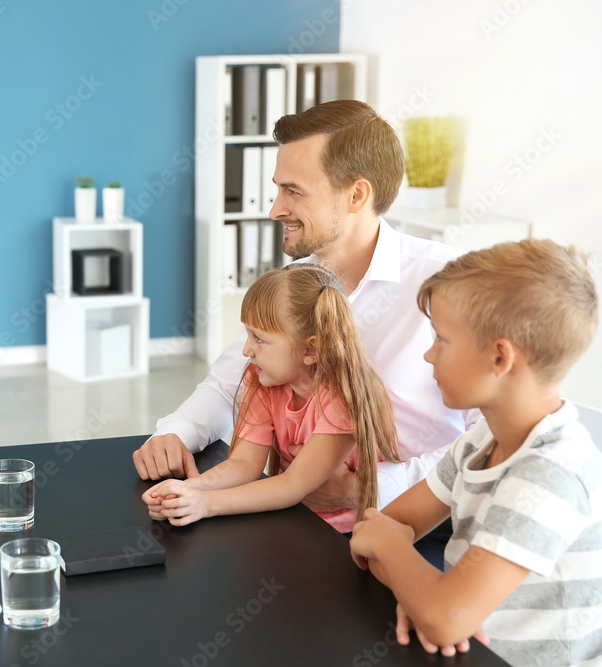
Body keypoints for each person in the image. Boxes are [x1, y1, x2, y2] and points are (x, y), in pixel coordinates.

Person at [134, 100, 474, 521]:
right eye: (278, 188)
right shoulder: (295, 285)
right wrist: (174, 434)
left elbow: (492, 435)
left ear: (357, 194)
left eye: (293, 191)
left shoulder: (448, 282)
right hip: (308, 516)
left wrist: (371, 489)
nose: (275, 209)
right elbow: (229, 385)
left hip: (421, 521)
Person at [349, 239, 602, 666]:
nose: (428, 354)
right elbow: (372, 533)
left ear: (499, 357)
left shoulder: (549, 474)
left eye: (441, 339)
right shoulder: (480, 441)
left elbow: (443, 615)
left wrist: (427, 594)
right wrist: (425, 597)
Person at [143, 264, 401, 533]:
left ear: (311, 349)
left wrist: (205, 503)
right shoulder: (262, 382)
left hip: (348, 534)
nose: (246, 350)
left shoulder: (343, 398)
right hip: (293, 516)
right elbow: (243, 464)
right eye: (248, 334)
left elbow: (293, 484)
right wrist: (187, 489)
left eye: (260, 339)